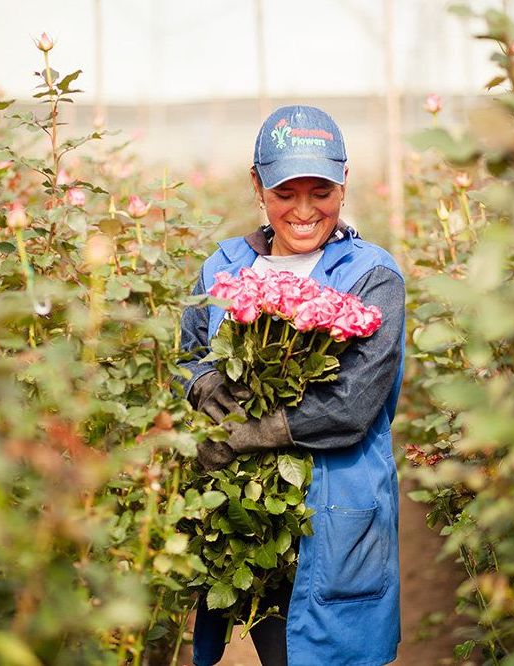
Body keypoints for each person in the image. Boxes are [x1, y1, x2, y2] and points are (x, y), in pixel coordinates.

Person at [179, 105, 405, 666]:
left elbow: (351, 406)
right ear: (257, 186)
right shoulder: (223, 268)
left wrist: (246, 434)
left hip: (336, 517)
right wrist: (206, 386)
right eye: (285, 192)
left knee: (333, 648)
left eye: (321, 190)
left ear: (344, 183)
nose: (304, 210)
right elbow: (186, 353)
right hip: (246, 520)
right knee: (271, 641)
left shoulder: (373, 277)